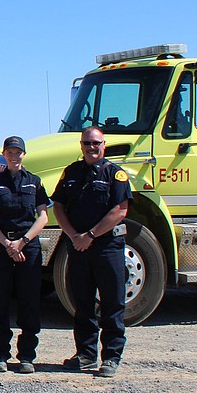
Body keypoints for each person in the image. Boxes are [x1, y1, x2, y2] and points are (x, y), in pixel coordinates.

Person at [51, 126, 132, 378]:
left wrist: (90, 235)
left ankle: (111, 356)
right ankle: (85, 354)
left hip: (106, 247)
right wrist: (75, 236)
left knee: (112, 303)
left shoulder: (115, 175)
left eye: (95, 143)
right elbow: (59, 207)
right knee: (82, 303)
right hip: (78, 247)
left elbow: (119, 211)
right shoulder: (72, 172)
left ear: (103, 144)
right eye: (87, 143)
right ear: (81, 145)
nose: (91, 147)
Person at [0, 135, 49, 374]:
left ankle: (27, 356)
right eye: (9, 151)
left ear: (24, 154)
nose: (13, 155)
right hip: (1, 245)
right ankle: (0, 354)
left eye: (17, 151)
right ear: (4, 154)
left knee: (29, 301)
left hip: (27, 245)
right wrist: (8, 244)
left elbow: (43, 216)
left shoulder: (35, 182)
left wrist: (22, 242)